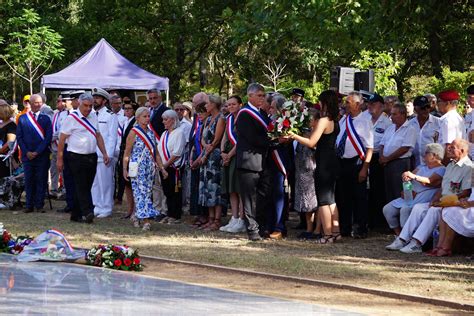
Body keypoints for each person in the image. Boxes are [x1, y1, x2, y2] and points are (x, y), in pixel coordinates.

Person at [387, 139, 472, 253]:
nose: (448, 149)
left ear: (461, 151)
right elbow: (442, 188)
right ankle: (403, 239)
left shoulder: (468, 167)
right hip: (442, 202)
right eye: (449, 146)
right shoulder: (451, 165)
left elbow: (466, 192)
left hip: (454, 205)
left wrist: (447, 202)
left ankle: (417, 243)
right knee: (419, 208)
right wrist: (435, 199)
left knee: (432, 211)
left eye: (452, 147)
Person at [290, 90, 341, 243]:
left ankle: (327, 234)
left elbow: (312, 142)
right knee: (331, 200)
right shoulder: (335, 120)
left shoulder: (324, 120)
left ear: (324, 103)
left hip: (324, 162)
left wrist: (294, 135)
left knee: (323, 200)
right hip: (332, 161)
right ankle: (336, 232)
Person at [57, 93, 110, 224]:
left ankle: (75, 214)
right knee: (81, 185)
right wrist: (60, 158)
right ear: (79, 104)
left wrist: (104, 153)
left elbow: (98, 136)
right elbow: (62, 139)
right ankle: (88, 212)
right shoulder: (71, 118)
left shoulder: (93, 116)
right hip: (75, 156)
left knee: (86, 185)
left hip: (91, 156)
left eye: (90, 106)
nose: (88, 108)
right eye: (85, 105)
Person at [382, 143, 445, 236]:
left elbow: (429, 182)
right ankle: (399, 235)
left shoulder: (442, 169)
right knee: (387, 209)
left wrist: (413, 176)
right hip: (411, 197)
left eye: (427, 153)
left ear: (434, 155)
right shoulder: (421, 167)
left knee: (405, 210)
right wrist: (407, 188)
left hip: (424, 198)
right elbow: (409, 178)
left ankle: (407, 237)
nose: (424, 155)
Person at [335, 91, 373, 238]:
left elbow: (369, 147)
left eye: (348, 103)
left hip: (357, 162)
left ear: (358, 104)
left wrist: (364, 169)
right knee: (343, 196)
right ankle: (345, 227)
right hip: (342, 162)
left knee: (359, 197)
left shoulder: (365, 120)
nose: (345, 105)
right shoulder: (344, 120)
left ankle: (361, 228)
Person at [236, 83, 270, 241]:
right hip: (249, 162)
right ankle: (252, 230)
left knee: (263, 197)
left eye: (263, 96)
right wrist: (273, 141)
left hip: (263, 161)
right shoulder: (244, 114)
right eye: (259, 95)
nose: (262, 98)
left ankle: (263, 227)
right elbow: (252, 138)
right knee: (249, 199)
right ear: (250, 96)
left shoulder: (262, 113)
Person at [123, 107, 166, 231]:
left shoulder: (151, 133)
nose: (147, 119)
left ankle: (136, 215)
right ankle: (146, 221)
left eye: (148, 116)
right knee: (141, 192)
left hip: (149, 167)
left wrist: (162, 168)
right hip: (137, 167)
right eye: (144, 116)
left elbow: (156, 153)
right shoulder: (133, 132)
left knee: (146, 192)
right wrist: (124, 169)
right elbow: (127, 152)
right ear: (137, 118)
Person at [16, 94, 52, 213]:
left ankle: (39, 204)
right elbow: (19, 137)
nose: (38, 104)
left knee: (41, 179)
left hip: (41, 155)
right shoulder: (22, 118)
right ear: (30, 103)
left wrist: (37, 151)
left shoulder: (46, 119)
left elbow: (48, 138)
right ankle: (29, 205)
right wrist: (27, 152)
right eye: (35, 102)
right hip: (27, 155)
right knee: (29, 180)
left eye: (40, 102)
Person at [379, 103, 417, 203]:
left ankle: (400, 216)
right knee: (389, 191)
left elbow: (404, 148)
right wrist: (382, 157)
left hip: (400, 163)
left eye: (394, 114)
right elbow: (382, 144)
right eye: (391, 114)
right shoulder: (391, 128)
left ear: (403, 114)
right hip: (387, 163)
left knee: (399, 192)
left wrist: (387, 158)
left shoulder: (410, 129)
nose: (391, 117)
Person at [198, 95, 226, 230]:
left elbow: (216, 140)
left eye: (208, 103)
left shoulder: (221, 119)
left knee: (215, 188)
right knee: (207, 188)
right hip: (206, 155)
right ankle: (210, 218)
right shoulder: (208, 119)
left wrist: (207, 153)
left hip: (214, 157)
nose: (206, 106)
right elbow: (203, 138)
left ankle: (217, 219)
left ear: (214, 104)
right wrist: (204, 150)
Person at [219, 95, 246, 233]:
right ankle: (234, 218)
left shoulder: (243, 118)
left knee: (239, 188)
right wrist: (223, 152)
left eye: (233, 104)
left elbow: (241, 139)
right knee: (231, 189)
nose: (230, 107)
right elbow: (224, 136)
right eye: (228, 105)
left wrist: (229, 155)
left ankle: (242, 219)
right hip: (227, 155)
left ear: (240, 104)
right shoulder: (228, 119)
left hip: (237, 155)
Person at [91, 87, 118, 218]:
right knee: (94, 182)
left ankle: (106, 207)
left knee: (106, 182)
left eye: (97, 98)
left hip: (104, 155)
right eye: (94, 97)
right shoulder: (90, 113)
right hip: (91, 153)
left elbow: (112, 137)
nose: (95, 100)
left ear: (104, 100)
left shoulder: (110, 115)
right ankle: (97, 205)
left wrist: (109, 154)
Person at [293, 108, 319, 240]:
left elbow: (313, 145)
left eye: (309, 119)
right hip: (301, 168)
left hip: (311, 168)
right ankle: (308, 227)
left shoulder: (317, 132)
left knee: (313, 200)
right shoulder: (303, 131)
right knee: (305, 200)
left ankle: (316, 228)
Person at [367, 93, 392, 230]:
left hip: (378, 158)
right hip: (364, 156)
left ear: (382, 106)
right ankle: (368, 220)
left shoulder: (387, 123)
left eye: (374, 104)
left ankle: (379, 222)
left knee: (378, 191)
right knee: (366, 191)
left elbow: (386, 143)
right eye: (369, 104)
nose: (370, 107)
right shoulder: (365, 119)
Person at [157, 110, 186, 224]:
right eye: (163, 119)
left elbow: (177, 153)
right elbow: (159, 150)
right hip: (163, 167)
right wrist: (161, 166)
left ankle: (176, 215)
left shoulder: (179, 132)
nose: (163, 122)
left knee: (175, 192)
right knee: (167, 191)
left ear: (173, 120)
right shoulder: (164, 134)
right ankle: (169, 213)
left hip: (173, 167)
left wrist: (165, 165)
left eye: (166, 119)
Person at [436, 190, 474, 257]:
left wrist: (469, 203)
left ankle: (446, 247)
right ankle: (440, 245)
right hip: (469, 206)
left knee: (452, 211)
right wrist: (464, 201)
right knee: (447, 209)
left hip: (471, 207)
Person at [117, 101, 139, 219]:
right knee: (126, 184)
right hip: (124, 155)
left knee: (132, 183)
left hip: (132, 156)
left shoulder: (135, 122)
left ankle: (135, 209)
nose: (126, 110)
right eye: (125, 108)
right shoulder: (125, 121)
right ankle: (130, 209)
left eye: (129, 108)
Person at [189, 101, 209, 227]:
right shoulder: (199, 124)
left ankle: (206, 215)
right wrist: (192, 156)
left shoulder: (209, 123)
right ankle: (198, 213)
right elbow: (195, 140)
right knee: (197, 187)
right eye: (197, 113)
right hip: (196, 156)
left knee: (205, 188)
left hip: (205, 158)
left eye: (201, 112)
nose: (199, 115)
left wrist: (199, 158)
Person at [409, 95, 440, 167]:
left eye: (428, 107)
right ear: (416, 109)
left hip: (433, 165)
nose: (426, 110)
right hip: (414, 165)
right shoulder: (410, 124)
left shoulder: (438, 122)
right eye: (422, 108)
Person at [50, 95, 69, 197]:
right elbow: (51, 127)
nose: (57, 102)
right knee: (53, 169)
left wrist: (49, 138)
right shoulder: (55, 113)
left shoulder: (67, 114)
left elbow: (61, 131)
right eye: (57, 101)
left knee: (63, 169)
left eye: (59, 101)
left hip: (62, 146)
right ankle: (53, 189)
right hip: (53, 146)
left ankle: (65, 190)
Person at [437, 90, 465, 157]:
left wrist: (443, 165)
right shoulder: (457, 117)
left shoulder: (448, 120)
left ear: (447, 103)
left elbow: (449, 147)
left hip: (449, 161)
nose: (437, 104)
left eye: (439, 101)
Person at [0, 103, 16, 178]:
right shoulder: (1, 123)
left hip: (4, 158)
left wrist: (0, 150)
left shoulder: (12, 125)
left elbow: (10, 143)